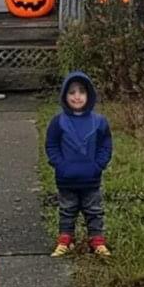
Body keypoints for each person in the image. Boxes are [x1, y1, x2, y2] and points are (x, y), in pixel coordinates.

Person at [45, 71, 112, 257]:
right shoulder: (58, 122)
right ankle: (65, 240)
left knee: (94, 211)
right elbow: (51, 145)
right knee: (67, 210)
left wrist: (98, 165)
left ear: (89, 95)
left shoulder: (98, 122)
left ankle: (97, 241)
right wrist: (60, 164)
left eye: (81, 91)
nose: (77, 96)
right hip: (66, 179)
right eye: (72, 92)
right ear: (64, 96)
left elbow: (106, 145)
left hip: (91, 178)